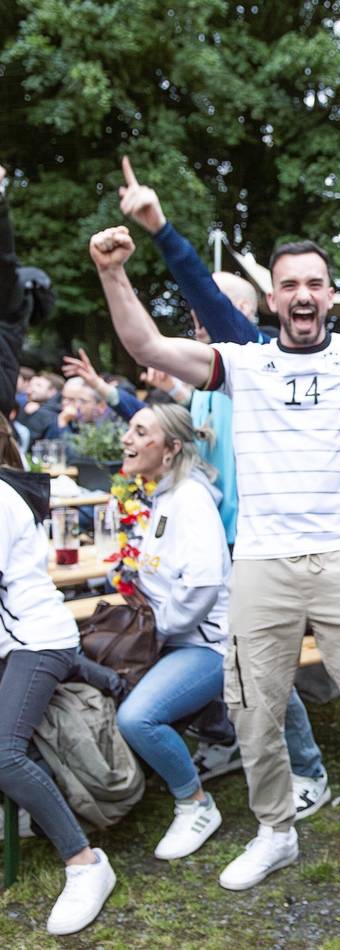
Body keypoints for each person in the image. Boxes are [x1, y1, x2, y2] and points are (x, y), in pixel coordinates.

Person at [88, 220, 340, 911]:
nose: (303, 295)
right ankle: (276, 830)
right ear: (272, 300)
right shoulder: (244, 360)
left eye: (314, 284)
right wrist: (114, 271)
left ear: (331, 295)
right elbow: (146, 346)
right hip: (262, 562)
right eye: (289, 285)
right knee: (251, 710)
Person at [117, 157, 331, 817]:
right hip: (228, 542)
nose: (195, 316)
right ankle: (231, 741)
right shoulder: (211, 379)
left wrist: (160, 229)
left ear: (243, 312)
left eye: (205, 308)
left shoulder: (261, 360)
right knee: (244, 662)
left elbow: (211, 310)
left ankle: (310, 770)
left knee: (264, 665)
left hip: (270, 545)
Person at [0, 184, 115, 932]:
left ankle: (84, 864)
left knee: (3, 753)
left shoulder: (3, 496)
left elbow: (8, 296)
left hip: (35, 637)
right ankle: (101, 673)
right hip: (22, 639)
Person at [113, 404, 230, 860]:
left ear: (171, 449)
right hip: (174, 638)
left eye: (140, 432)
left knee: (136, 717)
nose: (127, 439)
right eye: (130, 429)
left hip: (207, 644)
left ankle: (195, 803)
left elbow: (202, 585)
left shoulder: (190, 501)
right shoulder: (163, 495)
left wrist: (157, 631)